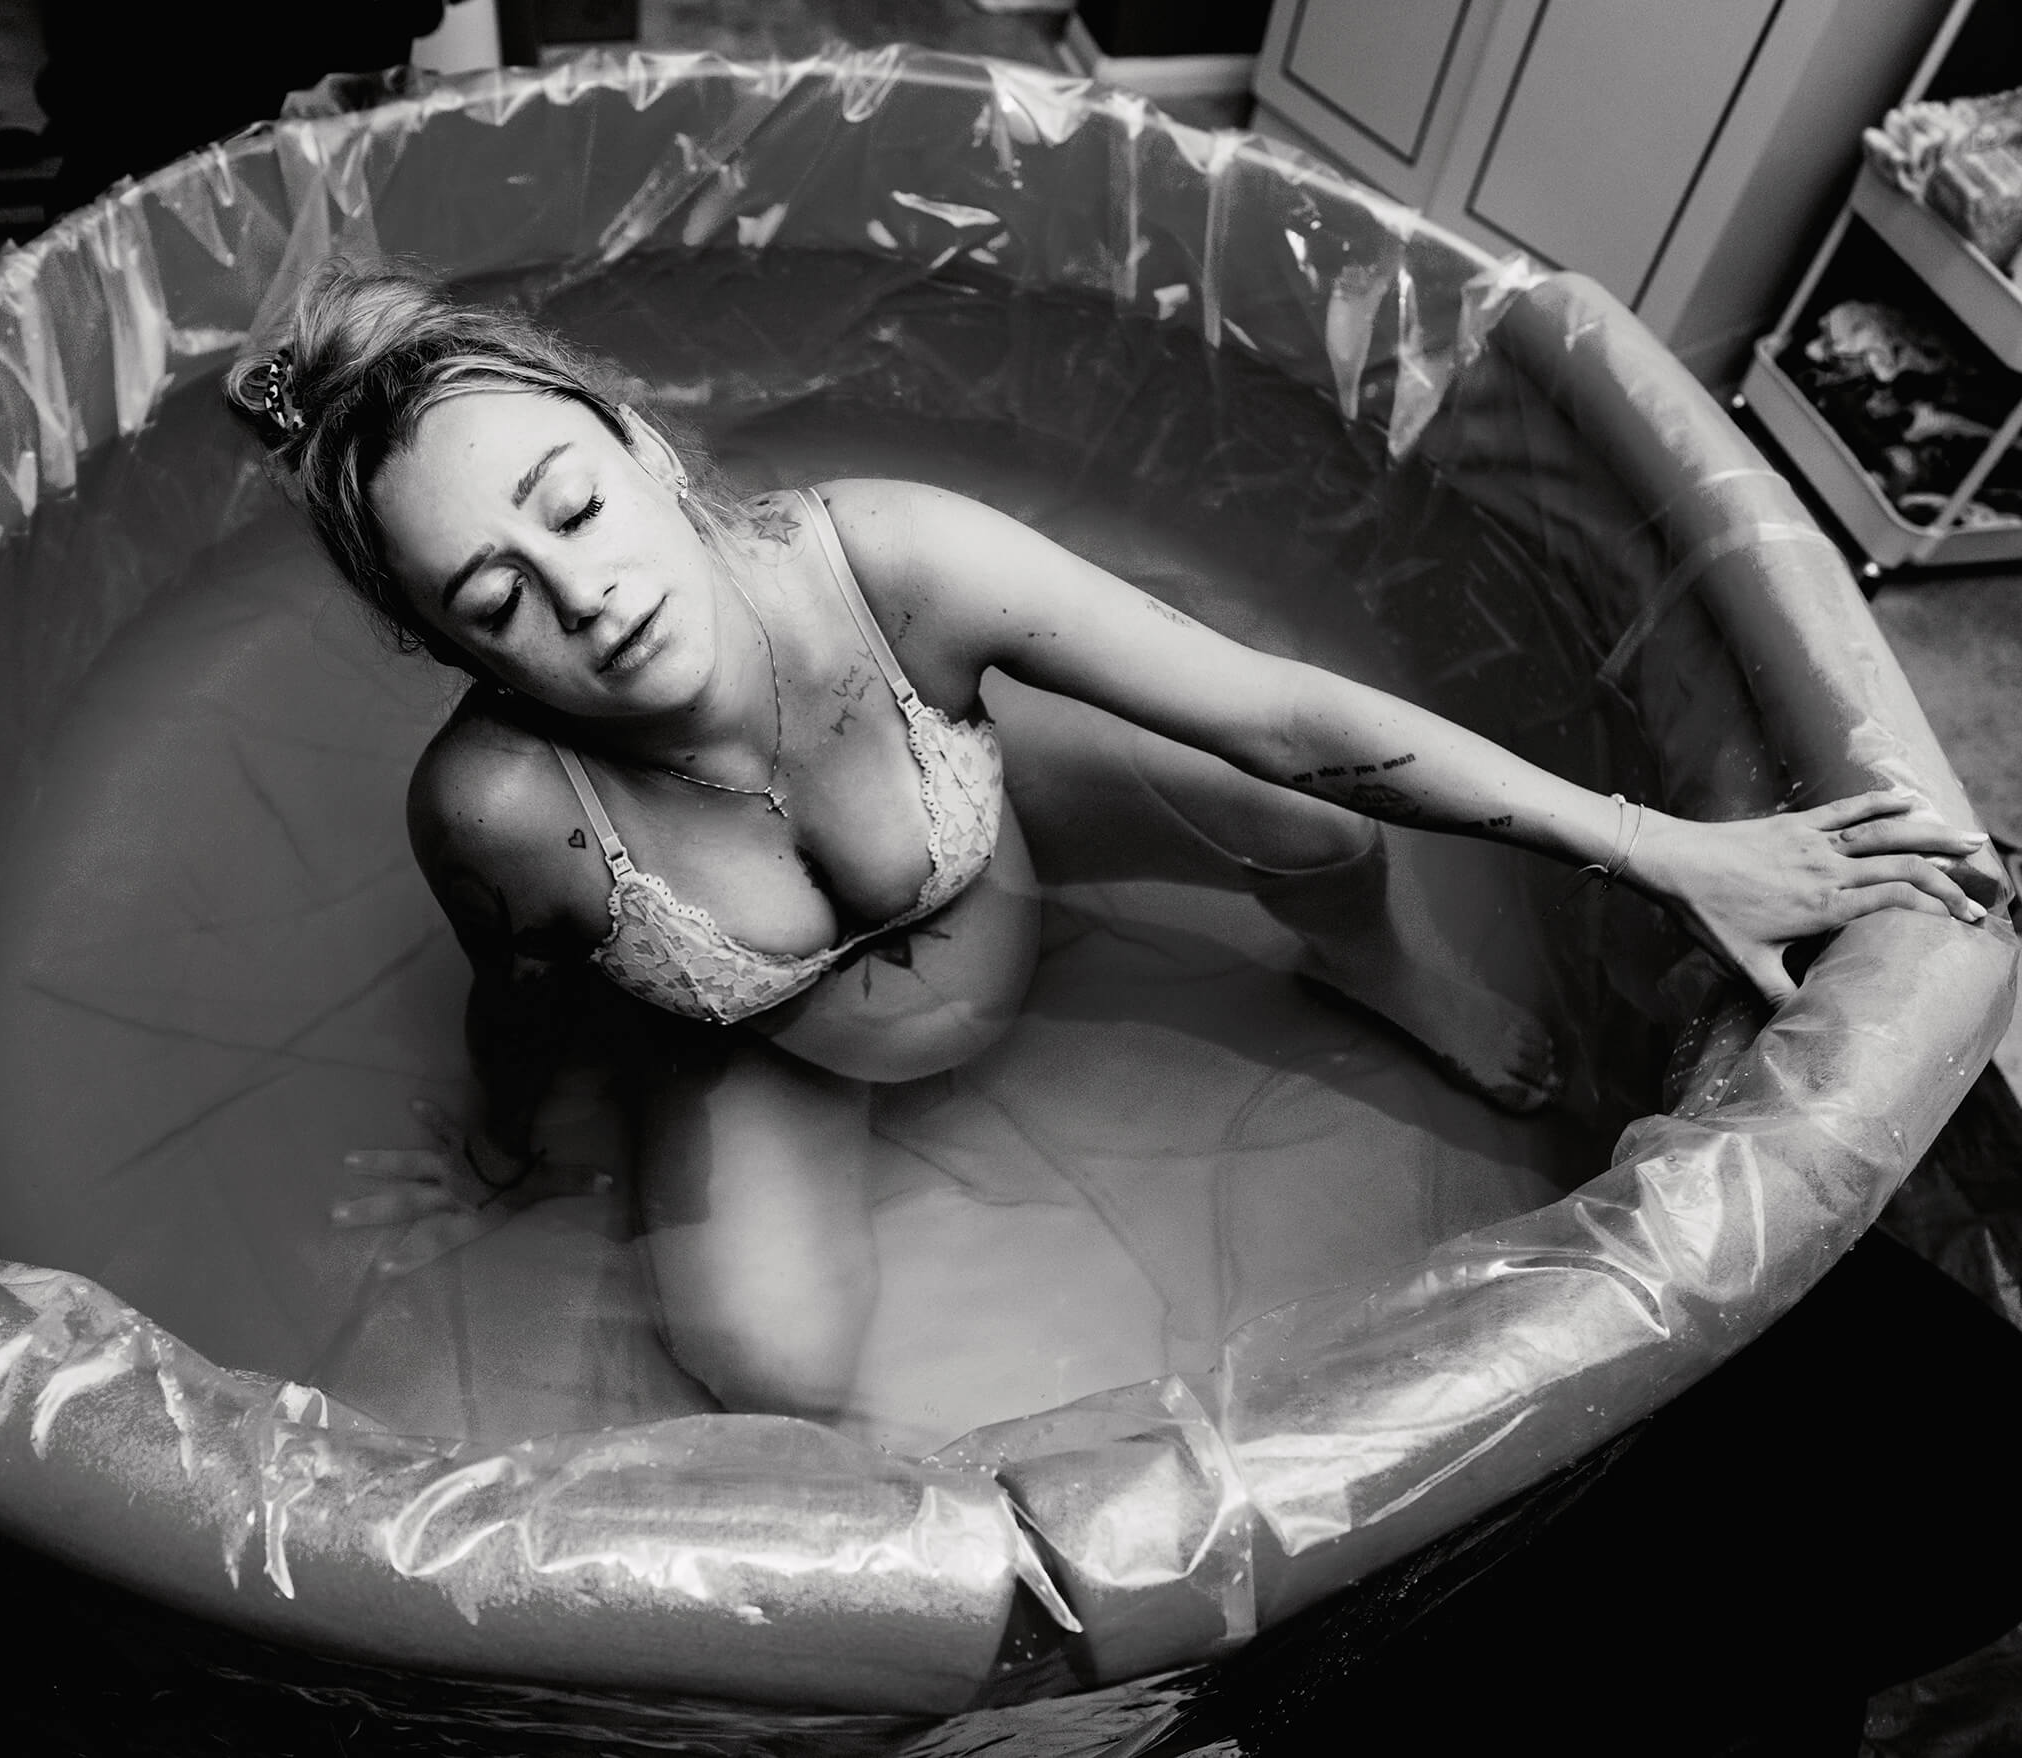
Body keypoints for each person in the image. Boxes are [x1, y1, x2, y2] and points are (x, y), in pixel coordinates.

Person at [225, 261, 1996, 1421]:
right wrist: (503, 1140)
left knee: (1293, 804)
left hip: (996, 859)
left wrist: (1663, 844)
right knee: (765, 1366)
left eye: (574, 505)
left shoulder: (886, 563)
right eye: (495, 599)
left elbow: (1281, 704)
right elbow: (520, 984)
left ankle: (1373, 963)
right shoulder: (501, 803)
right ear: (457, 659)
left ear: (635, 439)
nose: (582, 593)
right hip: (771, 1036)